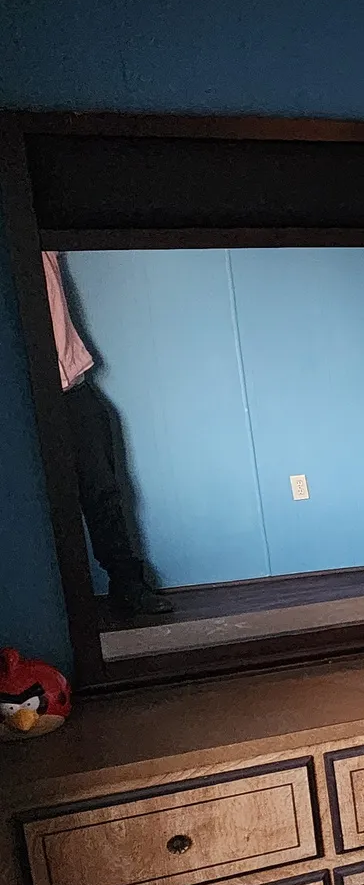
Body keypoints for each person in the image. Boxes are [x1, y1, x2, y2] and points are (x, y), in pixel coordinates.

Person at [42, 253, 172, 619]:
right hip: (27, 394)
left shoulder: (40, 248)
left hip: (74, 390)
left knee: (103, 492)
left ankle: (128, 587)